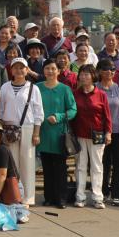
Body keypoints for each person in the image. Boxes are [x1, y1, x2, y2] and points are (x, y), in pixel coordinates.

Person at [0, 58, 44, 205]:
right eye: (15, 68)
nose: (18, 70)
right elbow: (1, 109)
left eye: (22, 67)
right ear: (11, 70)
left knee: (27, 163)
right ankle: (14, 195)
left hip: (27, 128)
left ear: (27, 70)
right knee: (12, 164)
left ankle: (27, 197)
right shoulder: (5, 87)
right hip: (9, 129)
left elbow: (38, 112)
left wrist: (36, 133)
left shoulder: (33, 88)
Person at [37, 58, 76, 209]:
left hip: (59, 135)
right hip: (43, 133)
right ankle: (49, 197)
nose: (50, 71)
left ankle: (61, 198)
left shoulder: (65, 89)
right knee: (47, 168)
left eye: (53, 68)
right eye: (47, 68)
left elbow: (73, 110)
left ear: (59, 71)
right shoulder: (37, 87)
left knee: (60, 169)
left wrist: (59, 117)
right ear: (43, 71)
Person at [71, 65, 111, 209]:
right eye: (81, 74)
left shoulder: (101, 94)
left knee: (97, 166)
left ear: (93, 76)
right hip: (79, 134)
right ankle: (80, 196)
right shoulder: (75, 94)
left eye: (87, 74)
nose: (84, 77)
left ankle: (97, 197)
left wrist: (108, 132)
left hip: (97, 134)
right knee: (80, 166)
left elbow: (107, 116)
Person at [97, 59, 119, 206]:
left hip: (118, 132)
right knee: (102, 164)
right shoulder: (95, 88)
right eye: (106, 69)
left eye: (112, 69)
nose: (109, 72)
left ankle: (117, 195)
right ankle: (103, 193)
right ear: (99, 71)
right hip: (100, 132)